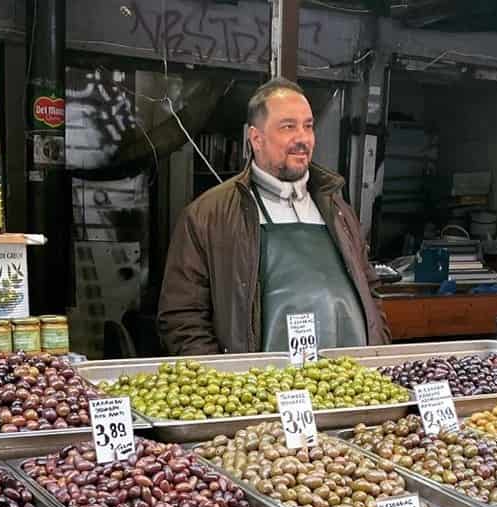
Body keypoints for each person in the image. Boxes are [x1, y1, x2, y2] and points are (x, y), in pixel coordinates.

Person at [157, 77, 390, 355]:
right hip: (260, 392)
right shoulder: (208, 215)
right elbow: (182, 317)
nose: (302, 138)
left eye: (308, 126)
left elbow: (372, 292)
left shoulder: (338, 210)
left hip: (350, 386)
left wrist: (378, 350)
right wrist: (228, 384)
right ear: (256, 138)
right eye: (288, 127)